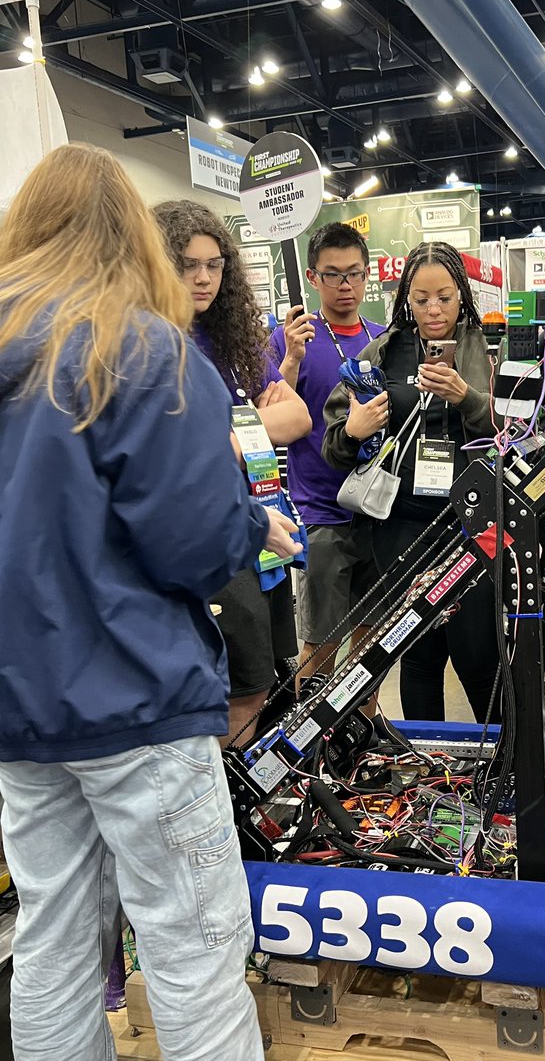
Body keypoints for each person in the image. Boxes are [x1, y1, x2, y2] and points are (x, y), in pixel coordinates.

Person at [0, 144, 299, 1061]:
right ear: (134, 235)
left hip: (19, 713)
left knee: (52, 939)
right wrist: (248, 522)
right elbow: (196, 545)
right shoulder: (141, 352)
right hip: (138, 698)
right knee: (196, 948)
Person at [322, 241, 500, 722]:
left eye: (444, 297)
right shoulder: (384, 351)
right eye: (421, 300)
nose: (433, 310)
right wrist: (355, 429)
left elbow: (518, 432)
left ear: (462, 295)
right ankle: (425, 763)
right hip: (401, 530)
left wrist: (467, 398)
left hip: (472, 526)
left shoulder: (487, 348)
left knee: (479, 656)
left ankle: (502, 761)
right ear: (406, 300)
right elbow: (334, 444)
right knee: (418, 655)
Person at [154, 200, 311, 745]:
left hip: (261, 523)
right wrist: (251, 428)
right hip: (205, 531)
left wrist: (235, 438)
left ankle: (245, 788)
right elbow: (173, 455)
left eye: (214, 264)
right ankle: (225, 790)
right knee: (240, 682)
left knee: (268, 676)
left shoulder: (231, 340)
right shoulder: (151, 345)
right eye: (188, 264)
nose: (203, 278)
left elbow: (298, 417)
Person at [271, 223, 385, 677]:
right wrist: (291, 359)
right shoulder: (292, 338)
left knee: (373, 645)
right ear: (313, 278)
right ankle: (310, 727)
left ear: (367, 275)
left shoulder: (383, 338)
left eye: (354, 273)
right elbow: (271, 417)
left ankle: (364, 721)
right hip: (321, 513)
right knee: (320, 646)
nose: (345, 285)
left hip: (378, 512)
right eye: (333, 274)